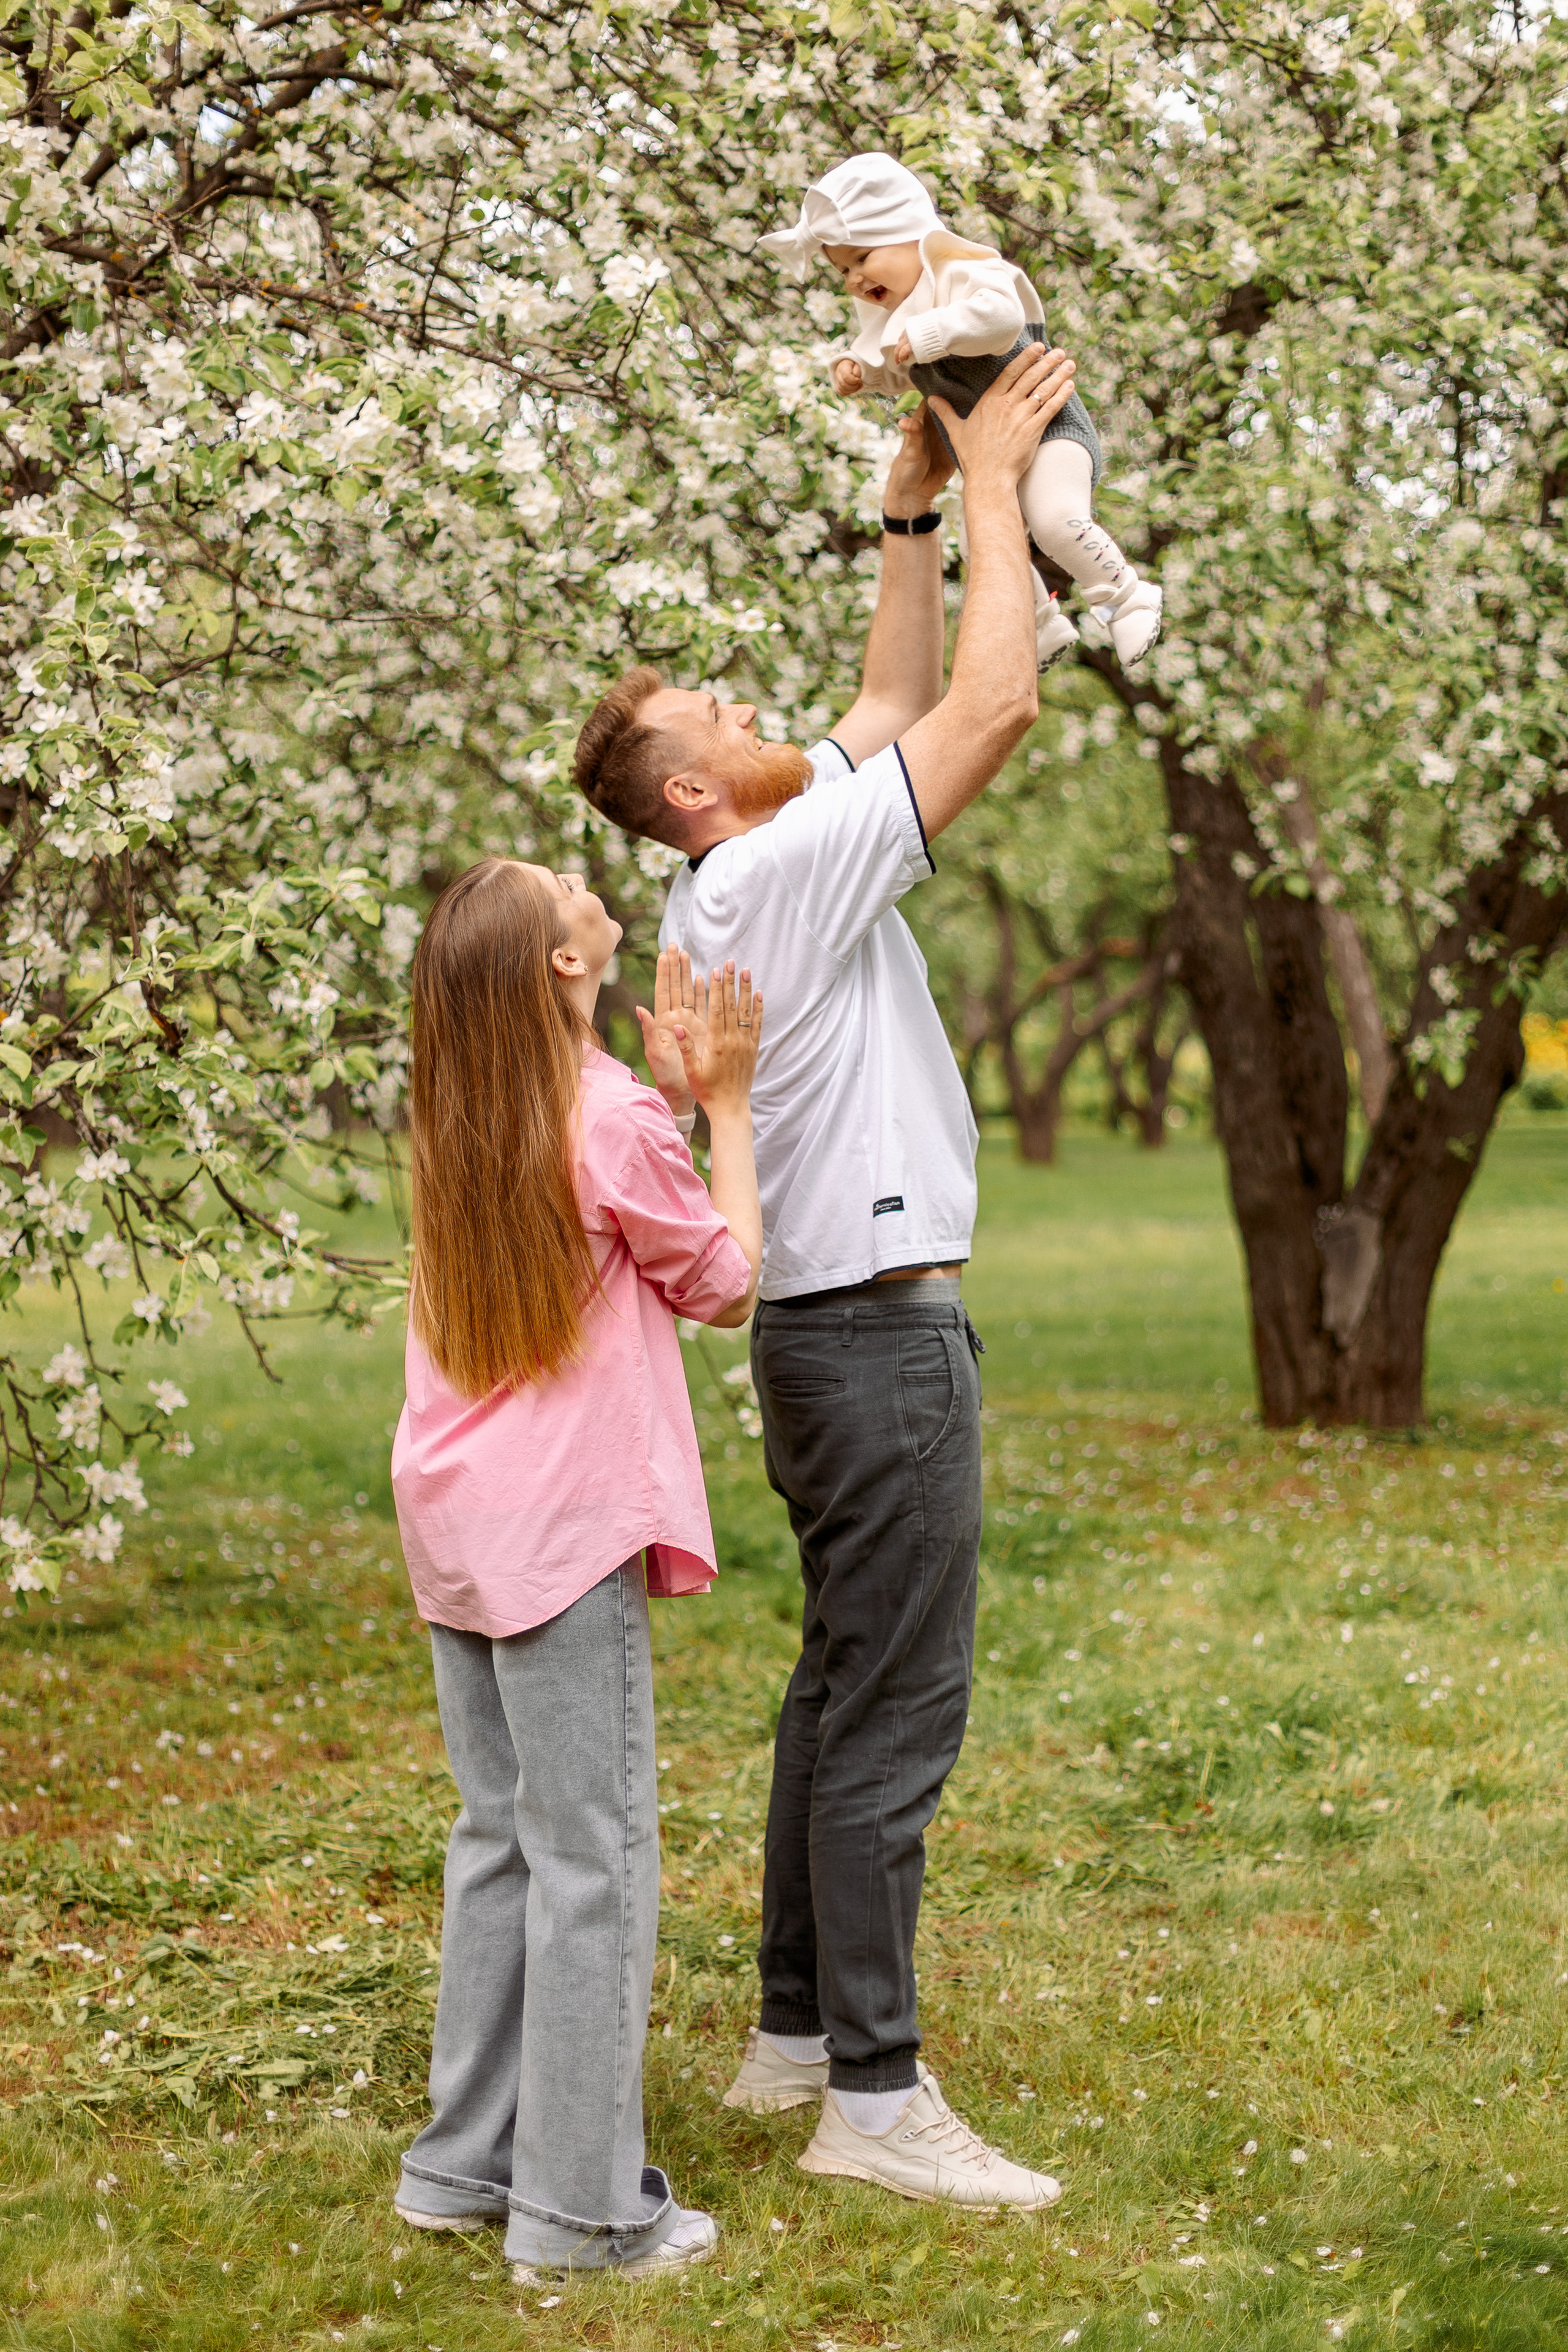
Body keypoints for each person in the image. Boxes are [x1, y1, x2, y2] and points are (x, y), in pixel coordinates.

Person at [571, 344, 1071, 2211]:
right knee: (893, 1709)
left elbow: (892, 687)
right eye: (721, 701)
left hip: (827, 1333)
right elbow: (991, 700)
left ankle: (793, 2027)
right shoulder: (772, 875)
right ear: (698, 788)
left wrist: (911, 497)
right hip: (875, 1331)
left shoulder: (762, 859)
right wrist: (1010, 483)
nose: (760, 701)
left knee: (836, 1678)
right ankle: (877, 2090)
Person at [388, 857, 764, 2277]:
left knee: (500, 1838)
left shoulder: (468, 1103)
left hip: (461, 1521)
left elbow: (597, 1203)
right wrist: (719, 1104)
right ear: (560, 963)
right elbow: (726, 1278)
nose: (582, 886)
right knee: (592, 1857)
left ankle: (461, 2165)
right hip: (557, 1533)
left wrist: (660, 1100)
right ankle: (583, 2215)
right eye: (563, 892)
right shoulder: (605, 1114)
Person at [761, 149, 1161, 673]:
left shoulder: (964, 275)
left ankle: (1128, 598)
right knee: (983, 548)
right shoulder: (900, 318)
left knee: (1055, 522)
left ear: (908, 232)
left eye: (862, 258)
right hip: (989, 466)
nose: (854, 279)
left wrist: (933, 333)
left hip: (1049, 434)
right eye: (842, 271)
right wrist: (862, 374)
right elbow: (901, 368)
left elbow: (998, 319)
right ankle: (1040, 624)